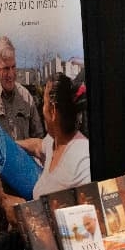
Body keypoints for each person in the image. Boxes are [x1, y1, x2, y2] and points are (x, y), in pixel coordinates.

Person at [31, 72, 91, 200]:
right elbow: (37, 145)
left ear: (52, 111)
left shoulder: (83, 157)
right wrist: (8, 142)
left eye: (44, 103)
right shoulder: (54, 141)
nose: (42, 110)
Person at [0, 36, 45, 158]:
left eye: (13, 67)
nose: (11, 74)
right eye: (6, 68)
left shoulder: (26, 97)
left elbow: (39, 139)